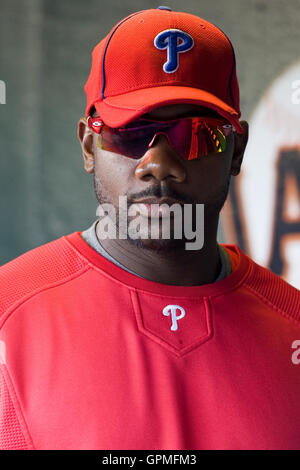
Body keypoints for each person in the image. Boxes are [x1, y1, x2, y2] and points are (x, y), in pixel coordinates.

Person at [0, 6, 299, 451]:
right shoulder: (8, 315)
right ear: (89, 145)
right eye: (129, 133)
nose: (159, 165)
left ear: (237, 150)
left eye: (195, 134)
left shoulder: (291, 327)